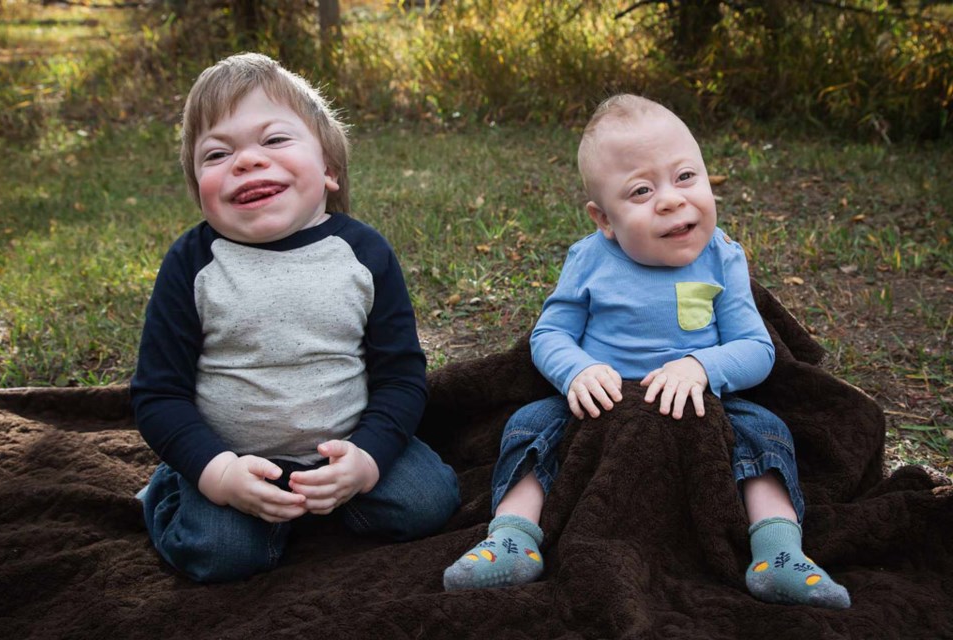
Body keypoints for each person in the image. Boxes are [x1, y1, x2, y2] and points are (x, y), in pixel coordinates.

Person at [443, 94, 850, 609]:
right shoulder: (589, 259)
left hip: (703, 403)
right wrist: (577, 372)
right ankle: (513, 537)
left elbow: (756, 347)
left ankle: (778, 551)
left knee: (766, 433)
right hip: (601, 404)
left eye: (686, 177)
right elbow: (549, 335)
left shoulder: (721, 256)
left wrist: (701, 366)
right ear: (605, 219)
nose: (671, 200)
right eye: (641, 189)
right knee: (528, 426)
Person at [131, 52, 460, 583]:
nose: (246, 161)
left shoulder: (363, 253)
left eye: (275, 140)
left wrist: (367, 458)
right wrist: (217, 473)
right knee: (222, 554)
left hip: (344, 445)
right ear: (199, 190)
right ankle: (171, 490)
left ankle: (328, 499)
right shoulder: (193, 265)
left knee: (427, 502)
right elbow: (157, 394)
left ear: (329, 167)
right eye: (217, 154)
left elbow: (400, 377)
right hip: (234, 458)